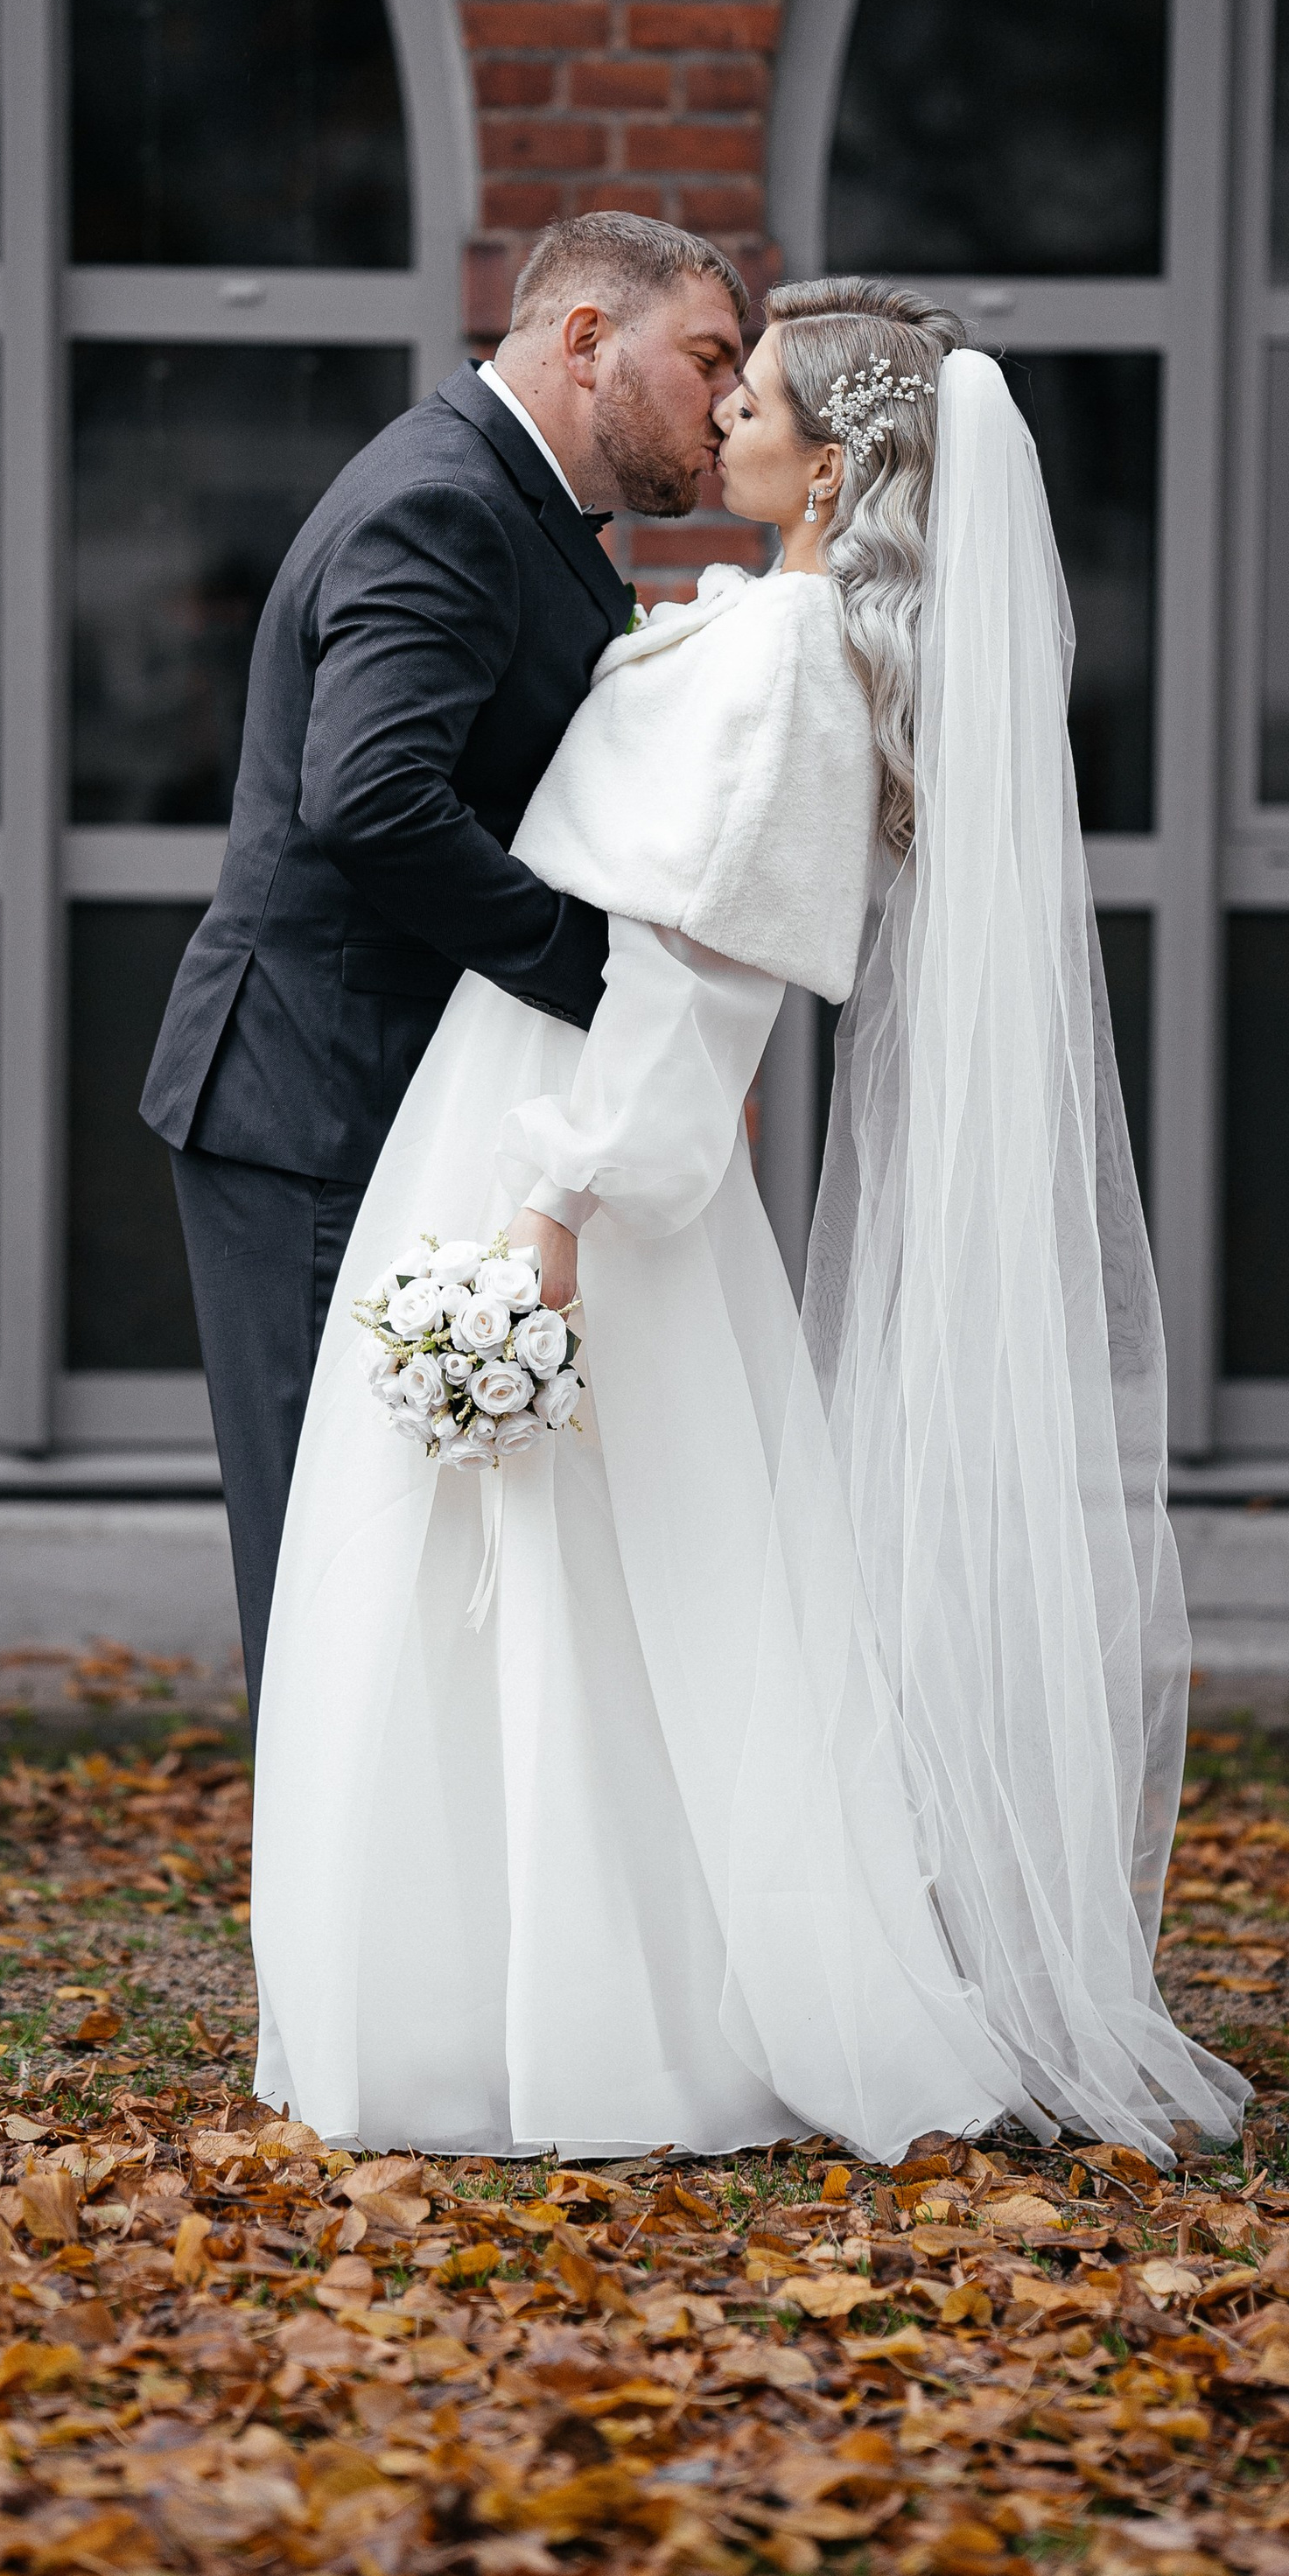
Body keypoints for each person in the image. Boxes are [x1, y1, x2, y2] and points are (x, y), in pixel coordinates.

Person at [247, 276, 1248, 2168]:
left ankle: (586, 2021)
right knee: (517, 1579)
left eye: (752, 397)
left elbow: (696, 969)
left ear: (833, 461)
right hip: (515, 1093)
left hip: (569, 1142)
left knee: (569, 1581)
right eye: (717, 383)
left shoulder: (791, 661)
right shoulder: (762, 629)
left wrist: (557, 1203)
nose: (716, 425)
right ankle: (475, 1993)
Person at [140, 214, 748, 1730]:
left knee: (401, 1558)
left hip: (379, 1094)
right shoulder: (449, 505)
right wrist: (597, 977)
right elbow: (372, 801)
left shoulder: (509, 504)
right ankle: (335, 1961)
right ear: (588, 339)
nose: (731, 403)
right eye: (709, 358)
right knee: (333, 1565)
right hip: (310, 1101)